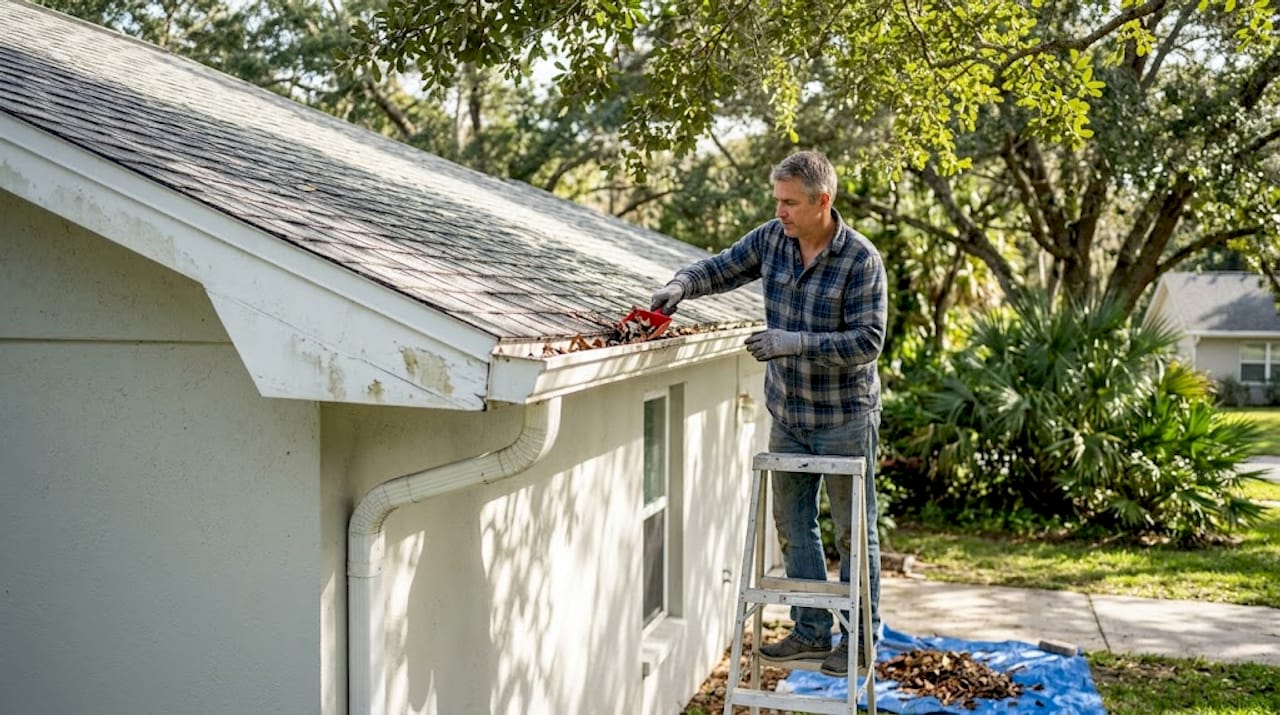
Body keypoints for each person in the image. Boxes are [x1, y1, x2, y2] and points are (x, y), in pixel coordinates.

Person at [649, 150, 887, 677]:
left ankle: (861, 641)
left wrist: (794, 342)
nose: (779, 211)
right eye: (776, 200)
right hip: (789, 413)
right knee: (793, 526)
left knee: (853, 531)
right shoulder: (771, 240)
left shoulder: (860, 259)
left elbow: (868, 341)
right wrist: (680, 286)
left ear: (822, 201)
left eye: (789, 203)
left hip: (845, 416)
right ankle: (809, 630)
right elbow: (720, 267)